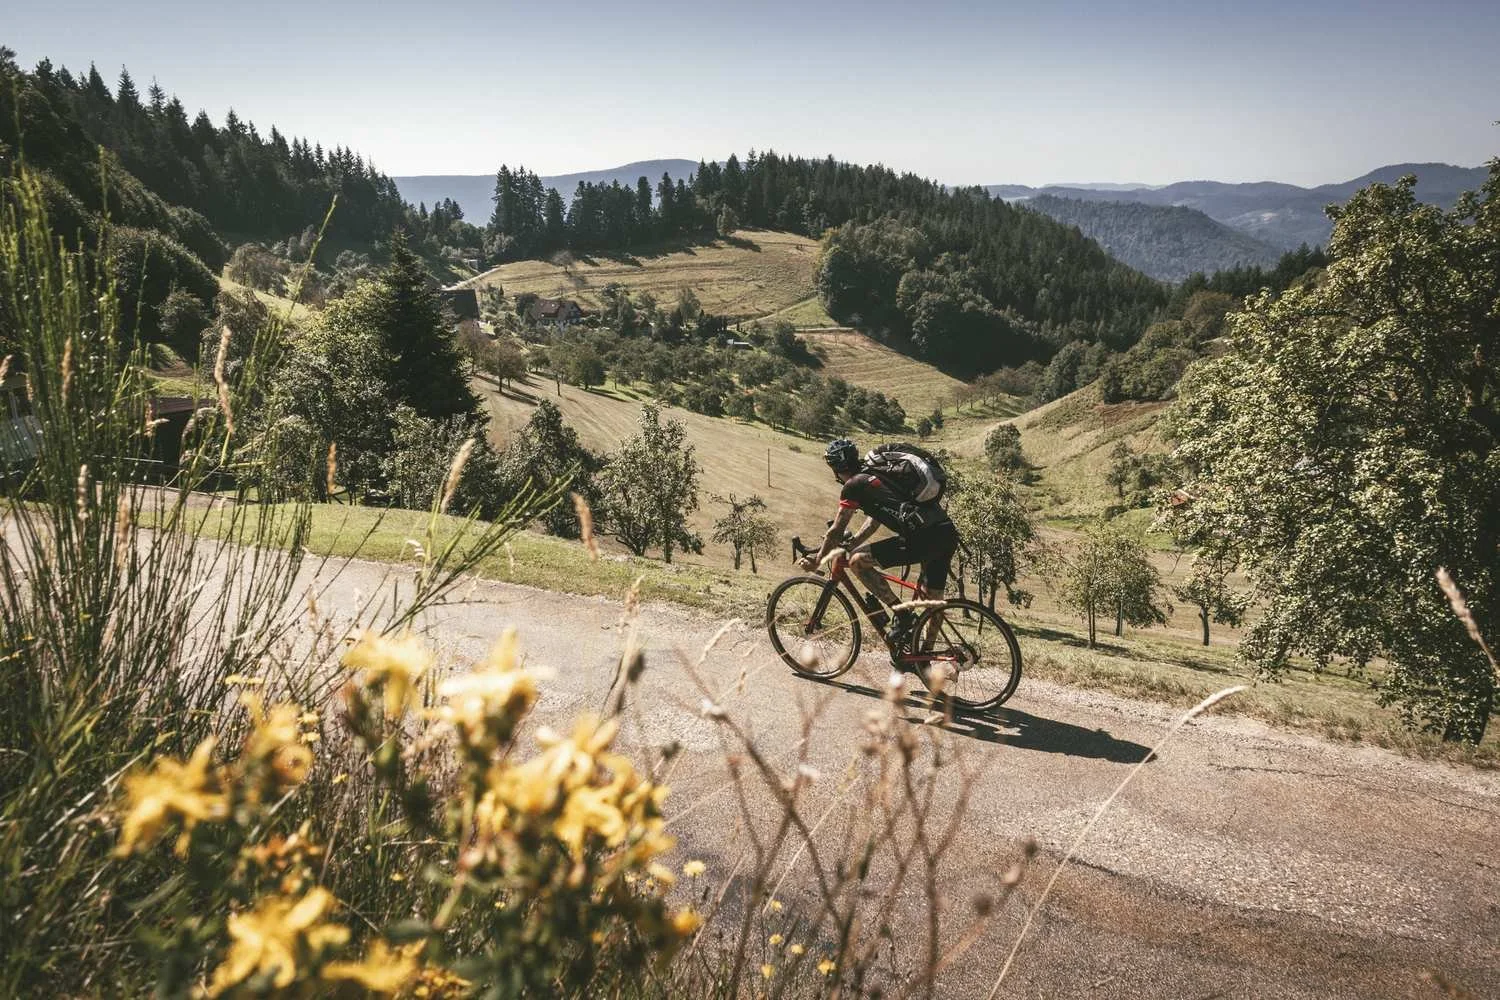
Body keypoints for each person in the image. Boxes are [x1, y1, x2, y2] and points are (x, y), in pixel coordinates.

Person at [798, 438, 960, 647]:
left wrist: (817, 561)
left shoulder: (854, 485)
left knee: (857, 561)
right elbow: (875, 521)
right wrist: (854, 541)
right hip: (946, 534)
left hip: (923, 539)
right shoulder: (879, 477)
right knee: (934, 602)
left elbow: (836, 530)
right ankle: (923, 659)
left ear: (836, 468)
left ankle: (901, 615)